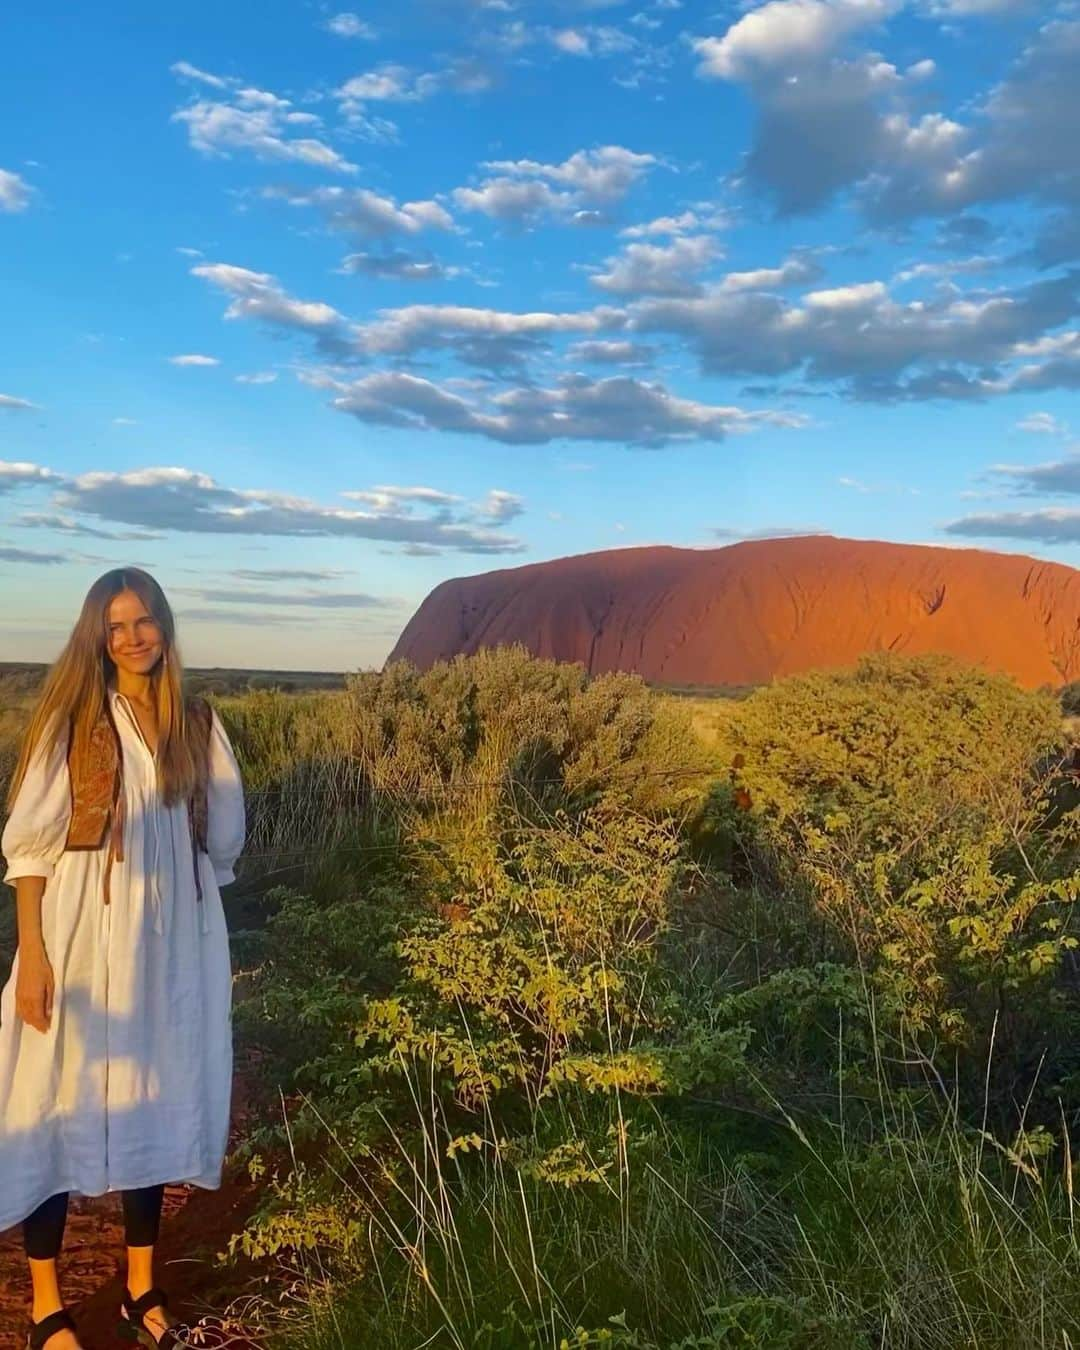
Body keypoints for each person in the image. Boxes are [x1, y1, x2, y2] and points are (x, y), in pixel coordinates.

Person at [0, 569, 246, 1350]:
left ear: (164, 627)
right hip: (77, 936)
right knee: (52, 1099)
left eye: (144, 622)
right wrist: (32, 954)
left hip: (172, 940)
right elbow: (31, 851)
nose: (134, 637)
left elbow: (223, 841)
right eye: (116, 627)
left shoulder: (197, 723)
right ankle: (47, 1307)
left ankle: (142, 1289)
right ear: (97, 638)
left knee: (158, 1096)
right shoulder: (72, 721)